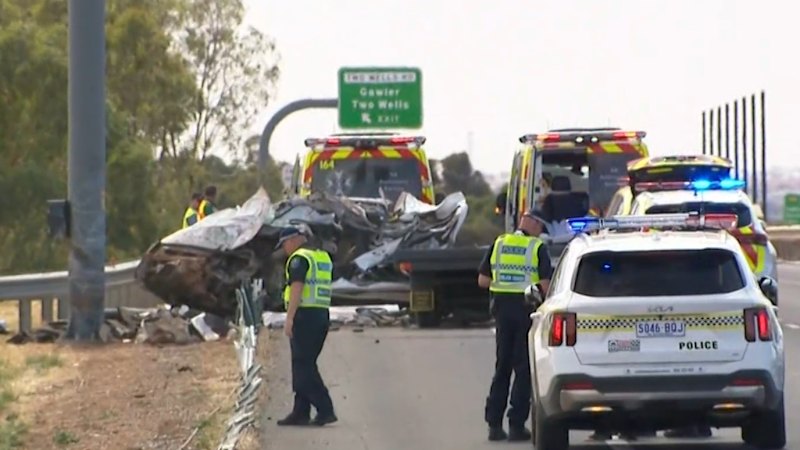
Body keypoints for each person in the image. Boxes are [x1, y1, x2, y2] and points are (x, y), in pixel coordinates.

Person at [478, 210, 553, 442]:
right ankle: (516, 426)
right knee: (523, 368)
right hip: (525, 311)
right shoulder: (537, 248)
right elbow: (545, 285)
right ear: (533, 223)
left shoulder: (499, 243)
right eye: (540, 226)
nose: (541, 231)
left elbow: (483, 281)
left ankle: (494, 425)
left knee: (502, 367)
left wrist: (505, 282)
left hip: (502, 310)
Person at [274, 226, 338, 427]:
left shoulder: (299, 259)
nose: (284, 248)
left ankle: (325, 408)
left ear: (294, 240)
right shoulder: (321, 257)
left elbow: (297, 287)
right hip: (321, 314)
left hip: (304, 316)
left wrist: (290, 318)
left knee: (303, 365)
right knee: (305, 363)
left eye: (284, 244)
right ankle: (300, 412)